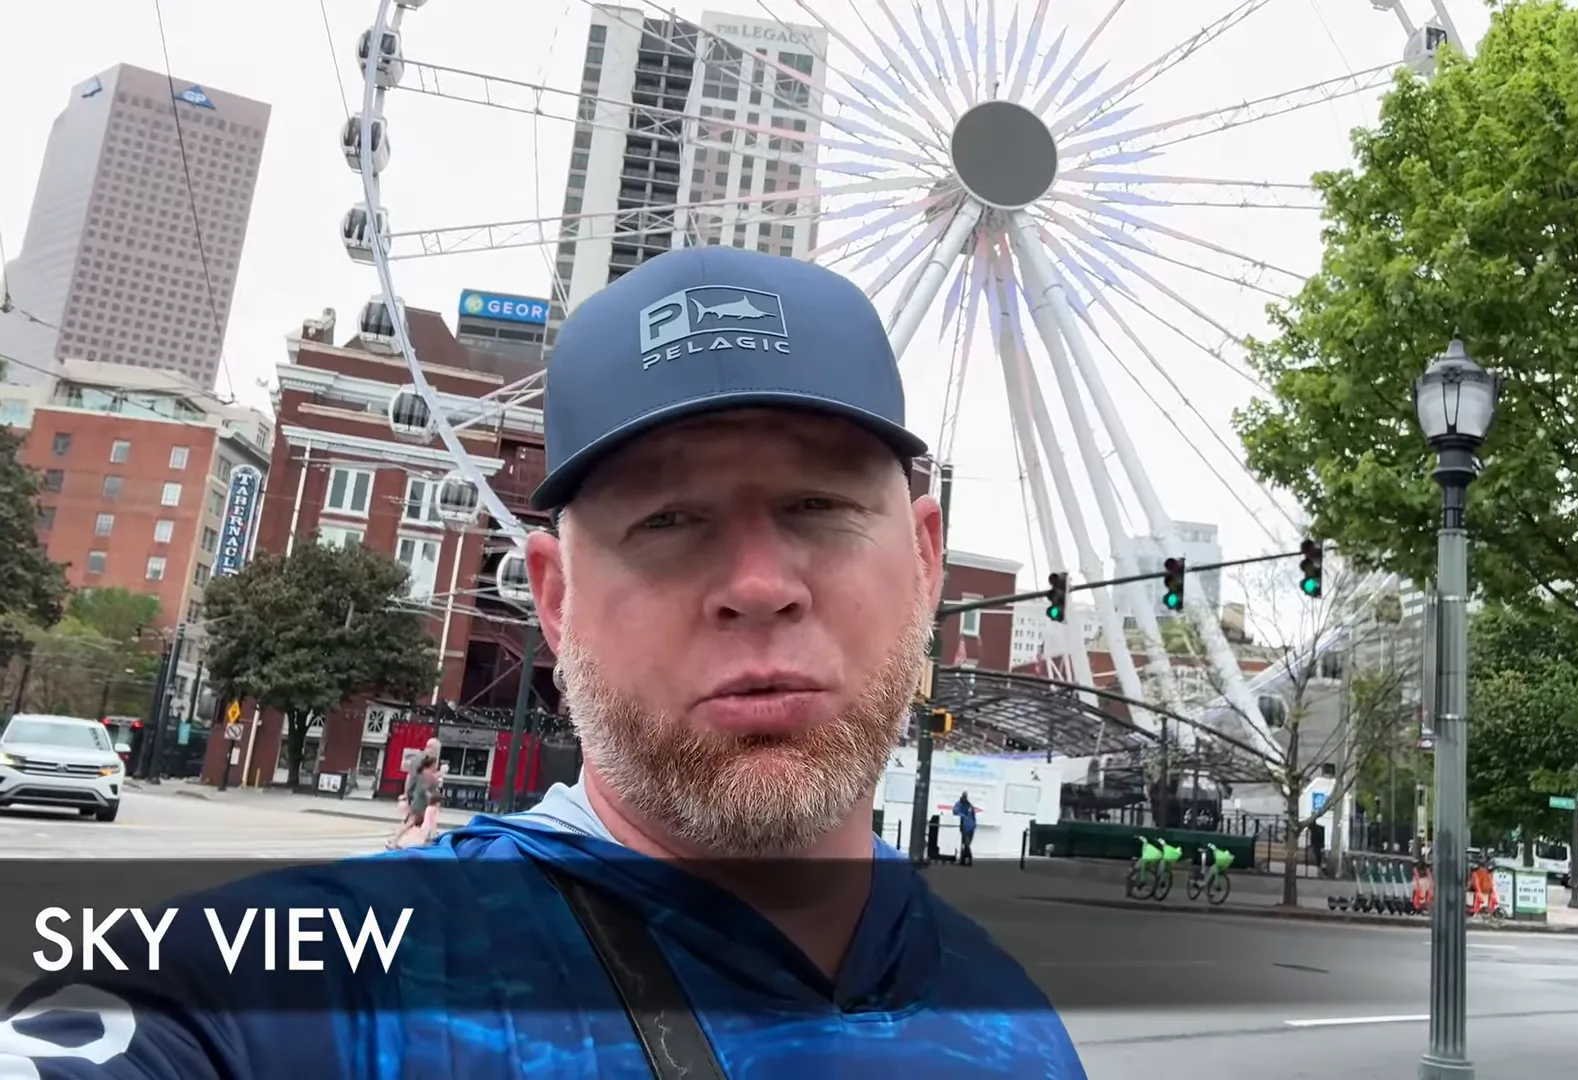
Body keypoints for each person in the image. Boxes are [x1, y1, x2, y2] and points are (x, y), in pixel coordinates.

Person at [3, 247, 1086, 1078]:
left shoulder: (1020, 1024)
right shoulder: (283, 988)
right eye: (668, 520)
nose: (759, 582)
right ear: (556, 600)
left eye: (819, 505)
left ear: (927, 560)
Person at [954, 793, 978, 867]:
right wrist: (963, 816)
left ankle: (963, 859)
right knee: (966, 843)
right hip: (965, 826)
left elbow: (973, 816)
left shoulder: (969, 805)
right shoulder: (959, 804)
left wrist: (974, 824)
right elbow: (955, 812)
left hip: (970, 826)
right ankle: (969, 859)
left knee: (967, 844)